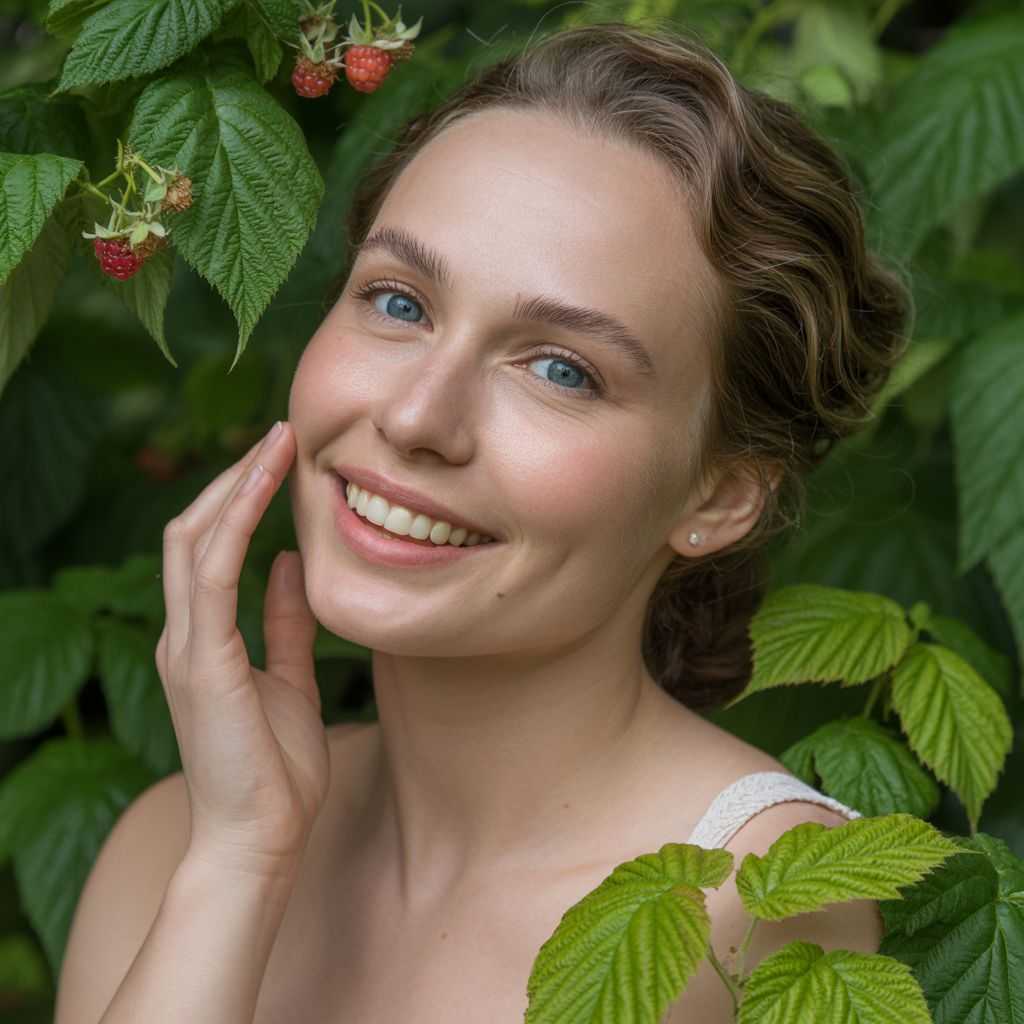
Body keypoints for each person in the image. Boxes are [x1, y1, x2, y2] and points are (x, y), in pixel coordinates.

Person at [56, 19, 911, 1024]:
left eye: (560, 369)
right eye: (397, 302)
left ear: (715, 496)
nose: (417, 417)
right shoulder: (176, 844)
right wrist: (240, 862)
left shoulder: (748, 904)